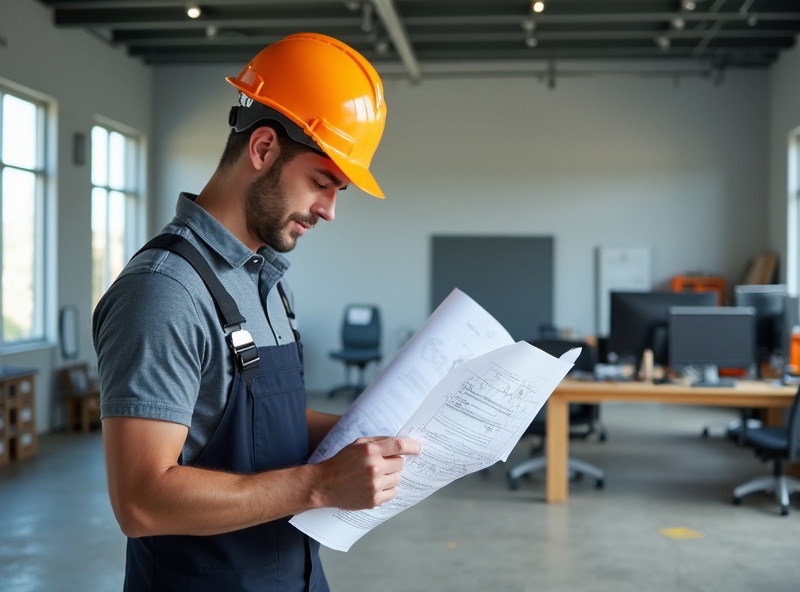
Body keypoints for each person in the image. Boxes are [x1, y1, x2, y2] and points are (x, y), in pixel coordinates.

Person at [92, 32, 421, 591]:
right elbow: (141, 501)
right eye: (322, 182)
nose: (329, 211)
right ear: (263, 148)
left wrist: (361, 433)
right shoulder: (165, 292)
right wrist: (319, 485)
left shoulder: (264, 279)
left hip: (291, 575)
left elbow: (266, 426)